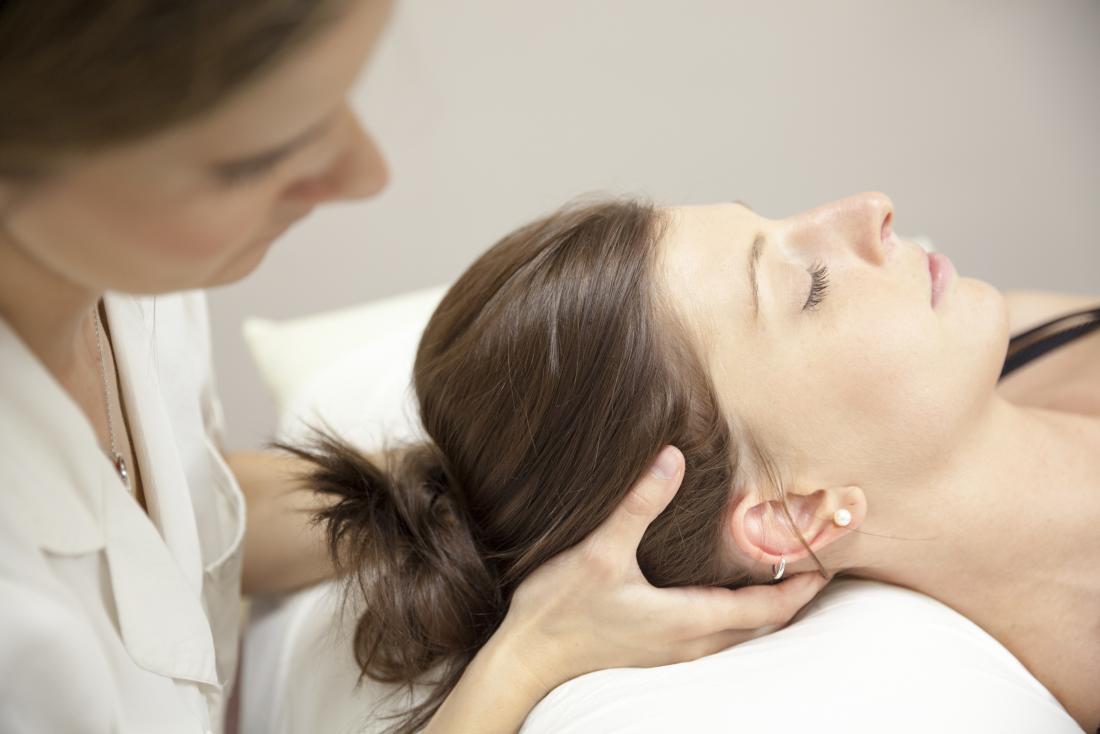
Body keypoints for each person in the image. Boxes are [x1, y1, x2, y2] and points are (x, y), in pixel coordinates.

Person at [0, 2, 827, 733]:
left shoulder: (123, 279)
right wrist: (531, 655)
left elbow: (171, 511)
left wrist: (512, 485)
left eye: (336, 102)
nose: (366, 173)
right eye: (261, 155)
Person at [285, 195, 1100, 732]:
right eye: (811, 287)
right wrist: (527, 655)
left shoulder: (1016, 343)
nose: (871, 210)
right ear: (790, 516)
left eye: (780, 221)